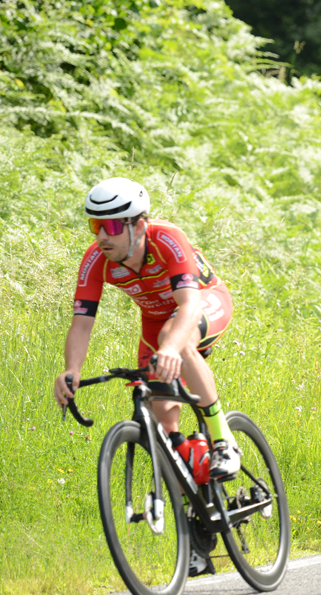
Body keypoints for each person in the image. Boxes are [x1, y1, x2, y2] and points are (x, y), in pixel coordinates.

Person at [54, 178, 239, 575]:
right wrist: (72, 370)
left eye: (113, 226)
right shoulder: (95, 260)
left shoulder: (168, 239)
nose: (103, 235)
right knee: (163, 420)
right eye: (95, 226)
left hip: (203, 303)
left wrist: (171, 348)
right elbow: (82, 323)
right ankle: (199, 520)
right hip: (155, 322)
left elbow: (188, 305)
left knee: (181, 340)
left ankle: (223, 441)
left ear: (138, 224)